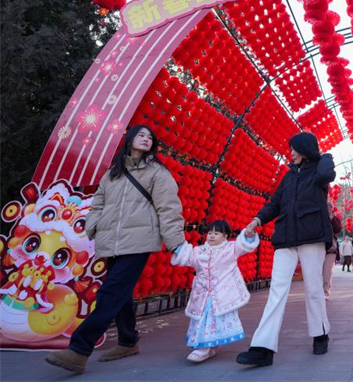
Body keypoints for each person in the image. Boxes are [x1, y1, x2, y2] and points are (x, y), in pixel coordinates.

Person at [45, 125, 187, 374]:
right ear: (130, 140)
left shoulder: (157, 172)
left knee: (109, 293)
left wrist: (175, 242)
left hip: (139, 240)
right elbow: (98, 201)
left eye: (150, 137)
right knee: (120, 294)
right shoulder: (113, 173)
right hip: (112, 241)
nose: (146, 139)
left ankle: (79, 349)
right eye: (141, 135)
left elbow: (169, 207)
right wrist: (93, 224)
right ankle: (128, 341)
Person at [236, 132, 335, 367]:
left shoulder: (320, 171)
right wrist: (257, 220)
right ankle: (263, 348)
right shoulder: (288, 177)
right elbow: (274, 203)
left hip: (312, 236)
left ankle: (320, 334)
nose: (290, 152)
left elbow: (326, 174)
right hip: (285, 238)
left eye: (294, 148)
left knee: (313, 289)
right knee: (276, 291)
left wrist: (325, 156)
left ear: (304, 149)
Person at [170, 220, 259, 362]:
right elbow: (187, 256)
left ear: (225, 236)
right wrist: (175, 246)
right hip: (202, 293)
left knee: (211, 317)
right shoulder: (199, 250)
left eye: (216, 233)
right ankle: (211, 346)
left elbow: (244, 245)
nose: (211, 236)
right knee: (204, 317)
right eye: (209, 233)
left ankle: (203, 348)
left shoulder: (231, 248)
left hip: (222, 292)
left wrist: (248, 235)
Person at [322, 206, 342, 300]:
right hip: (319, 248)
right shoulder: (319, 217)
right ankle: (318, 291)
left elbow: (337, 229)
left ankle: (325, 292)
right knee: (318, 272)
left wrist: (332, 218)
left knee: (327, 271)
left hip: (331, 249)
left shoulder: (335, 219)